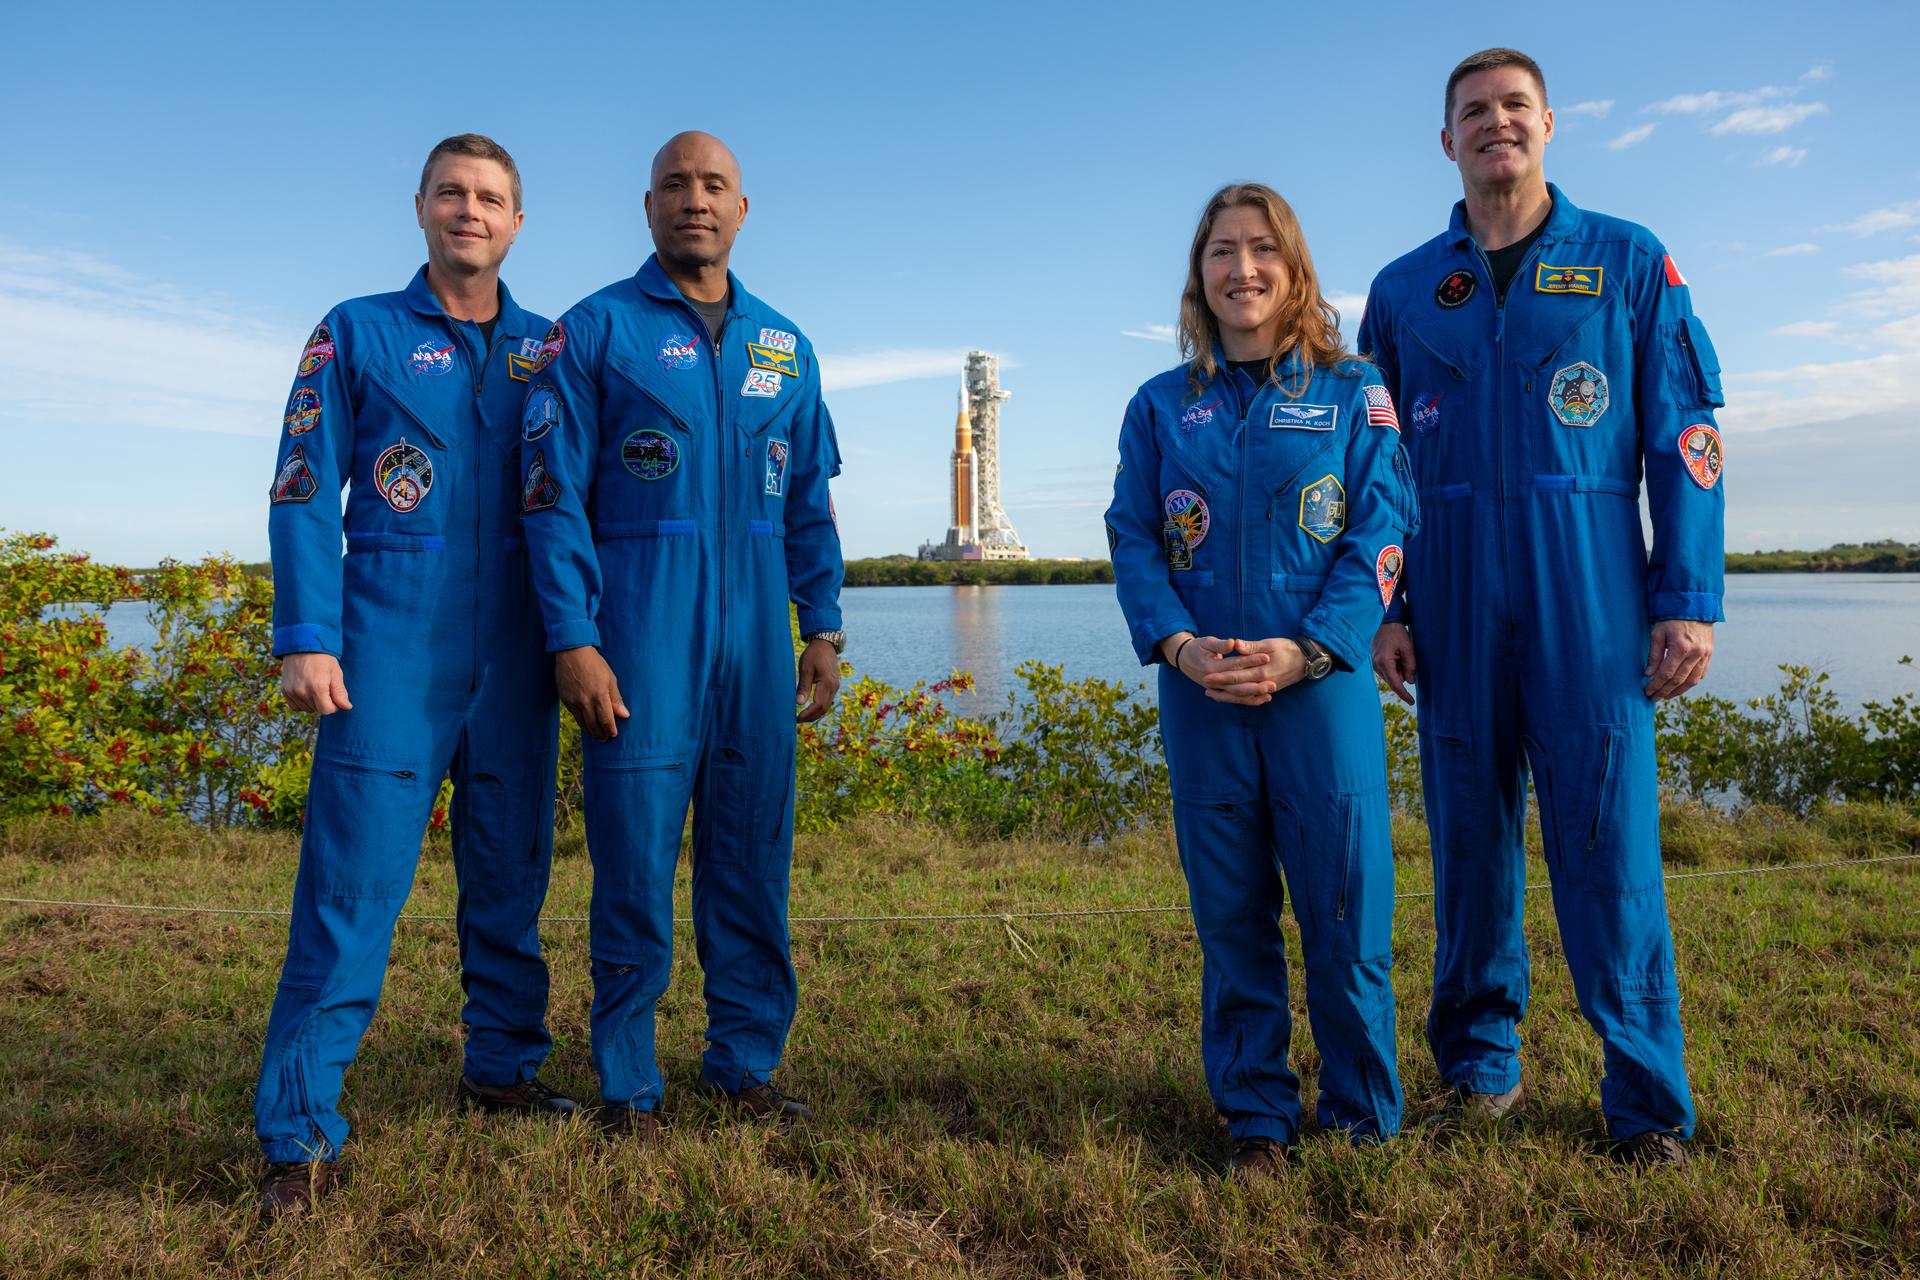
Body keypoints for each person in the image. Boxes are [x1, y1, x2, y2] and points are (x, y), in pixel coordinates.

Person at [1358, 48, 1725, 1166]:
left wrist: (1688, 597)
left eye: (1515, 107)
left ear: (1551, 125)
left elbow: (1688, 441)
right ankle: (1479, 1064)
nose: (1495, 125)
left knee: (1610, 848)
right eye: (1474, 111)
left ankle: (1647, 1100)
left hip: (1593, 594)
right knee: (1469, 844)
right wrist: (1389, 602)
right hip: (1455, 597)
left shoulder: (1627, 261)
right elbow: (1372, 466)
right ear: (1447, 139)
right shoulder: (1407, 288)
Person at [258, 134, 575, 1219]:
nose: (470, 211)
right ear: (421, 206)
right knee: (351, 892)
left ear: (518, 220)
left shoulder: (552, 349)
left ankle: (503, 1069)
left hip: (521, 651)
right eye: (452, 192)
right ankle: (297, 1133)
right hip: (390, 647)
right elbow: (303, 485)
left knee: (510, 874)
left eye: (490, 197)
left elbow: (590, 506)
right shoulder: (356, 333)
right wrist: (307, 632)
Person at [519, 131, 844, 1139]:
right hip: (642, 642)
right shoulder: (595, 331)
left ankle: (745, 1063)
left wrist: (823, 625)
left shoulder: (785, 345)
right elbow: (549, 495)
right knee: (632, 869)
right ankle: (628, 1082)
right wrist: (573, 637)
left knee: (752, 863)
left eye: (714, 186)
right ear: (647, 206)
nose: (694, 200)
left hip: (756, 646)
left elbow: (809, 504)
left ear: (744, 208)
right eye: (675, 185)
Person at [1105, 183, 1417, 1176]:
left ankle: (1363, 1112)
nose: (1242, 269)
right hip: (1204, 692)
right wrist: (1181, 646)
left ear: (1295, 267)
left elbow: (1381, 524)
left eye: (1261, 249)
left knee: (1344, 909)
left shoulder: (1352, 390)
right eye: (1220, 251)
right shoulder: (1162, 404)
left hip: (1317, 690)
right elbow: (1132, 537)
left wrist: (1313, 646)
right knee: (1232, 916)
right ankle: (1257, 1116)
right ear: (1198, 273)